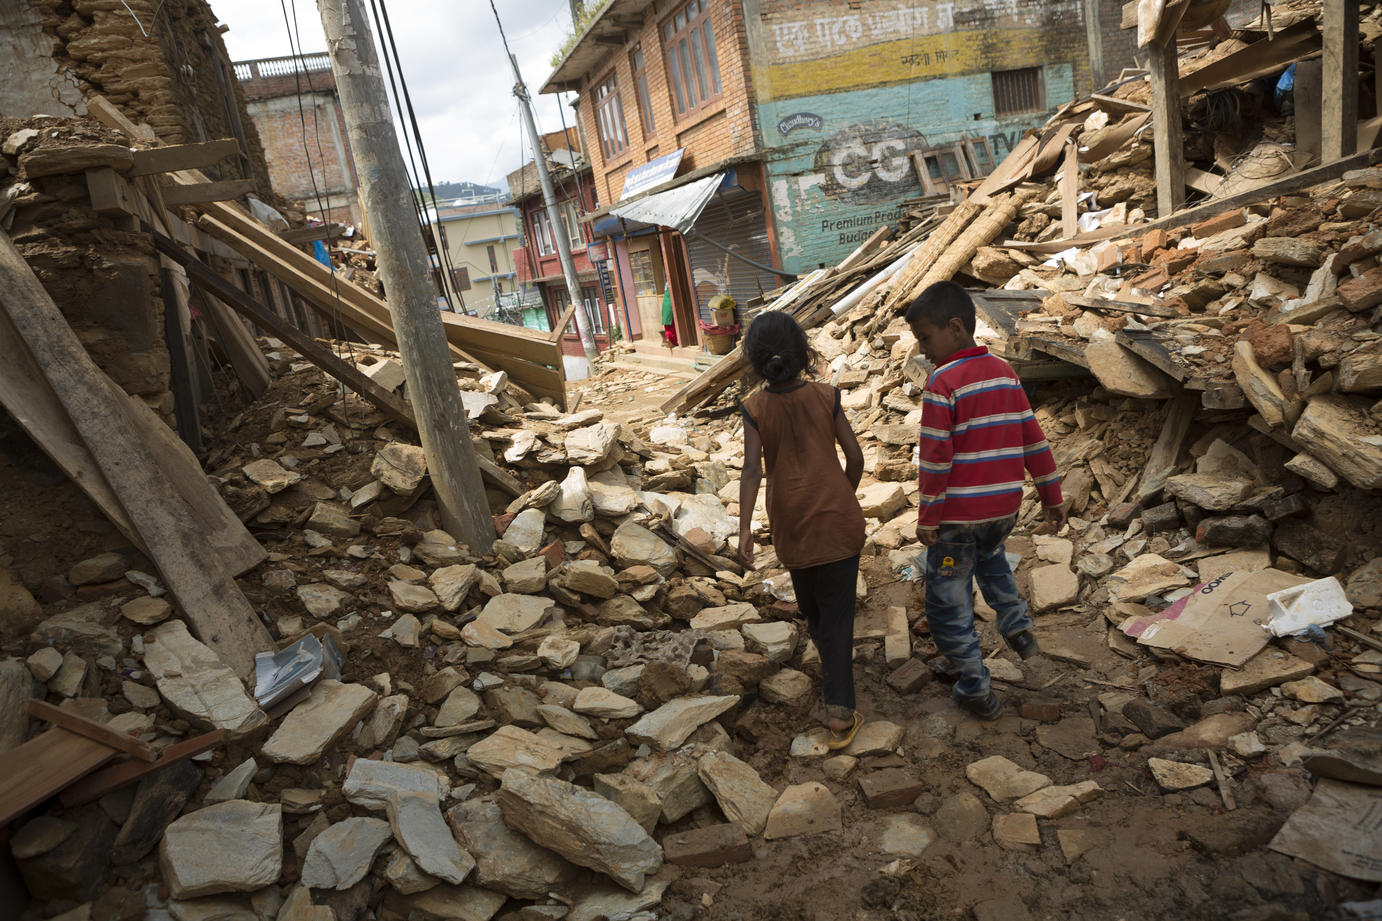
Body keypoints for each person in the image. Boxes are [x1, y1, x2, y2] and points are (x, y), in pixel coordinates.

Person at [907, 281, 1067, 720]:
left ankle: (975, 687)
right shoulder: (1005, 372)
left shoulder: (942, 383)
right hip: (1002, 512)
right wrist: (1051, 495)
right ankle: (1016, 626)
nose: (923, 350)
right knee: (991, 559)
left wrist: (928, 516)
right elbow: (1033, 439)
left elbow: (936, 461)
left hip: (957, 519)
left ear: (955, 328)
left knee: (947, 604)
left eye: (925, 337)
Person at [737, 311, 867, 750]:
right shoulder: (827, 397)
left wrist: (744, 532)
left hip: (791, 527)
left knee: (814, 610)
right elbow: (855, 458)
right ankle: (839, 701)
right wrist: (843, 496)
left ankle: (836, 699)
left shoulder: (754, 409)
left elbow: (752, 470)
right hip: (840, 524)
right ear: (803, 353)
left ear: (756, 362)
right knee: (837, 618)